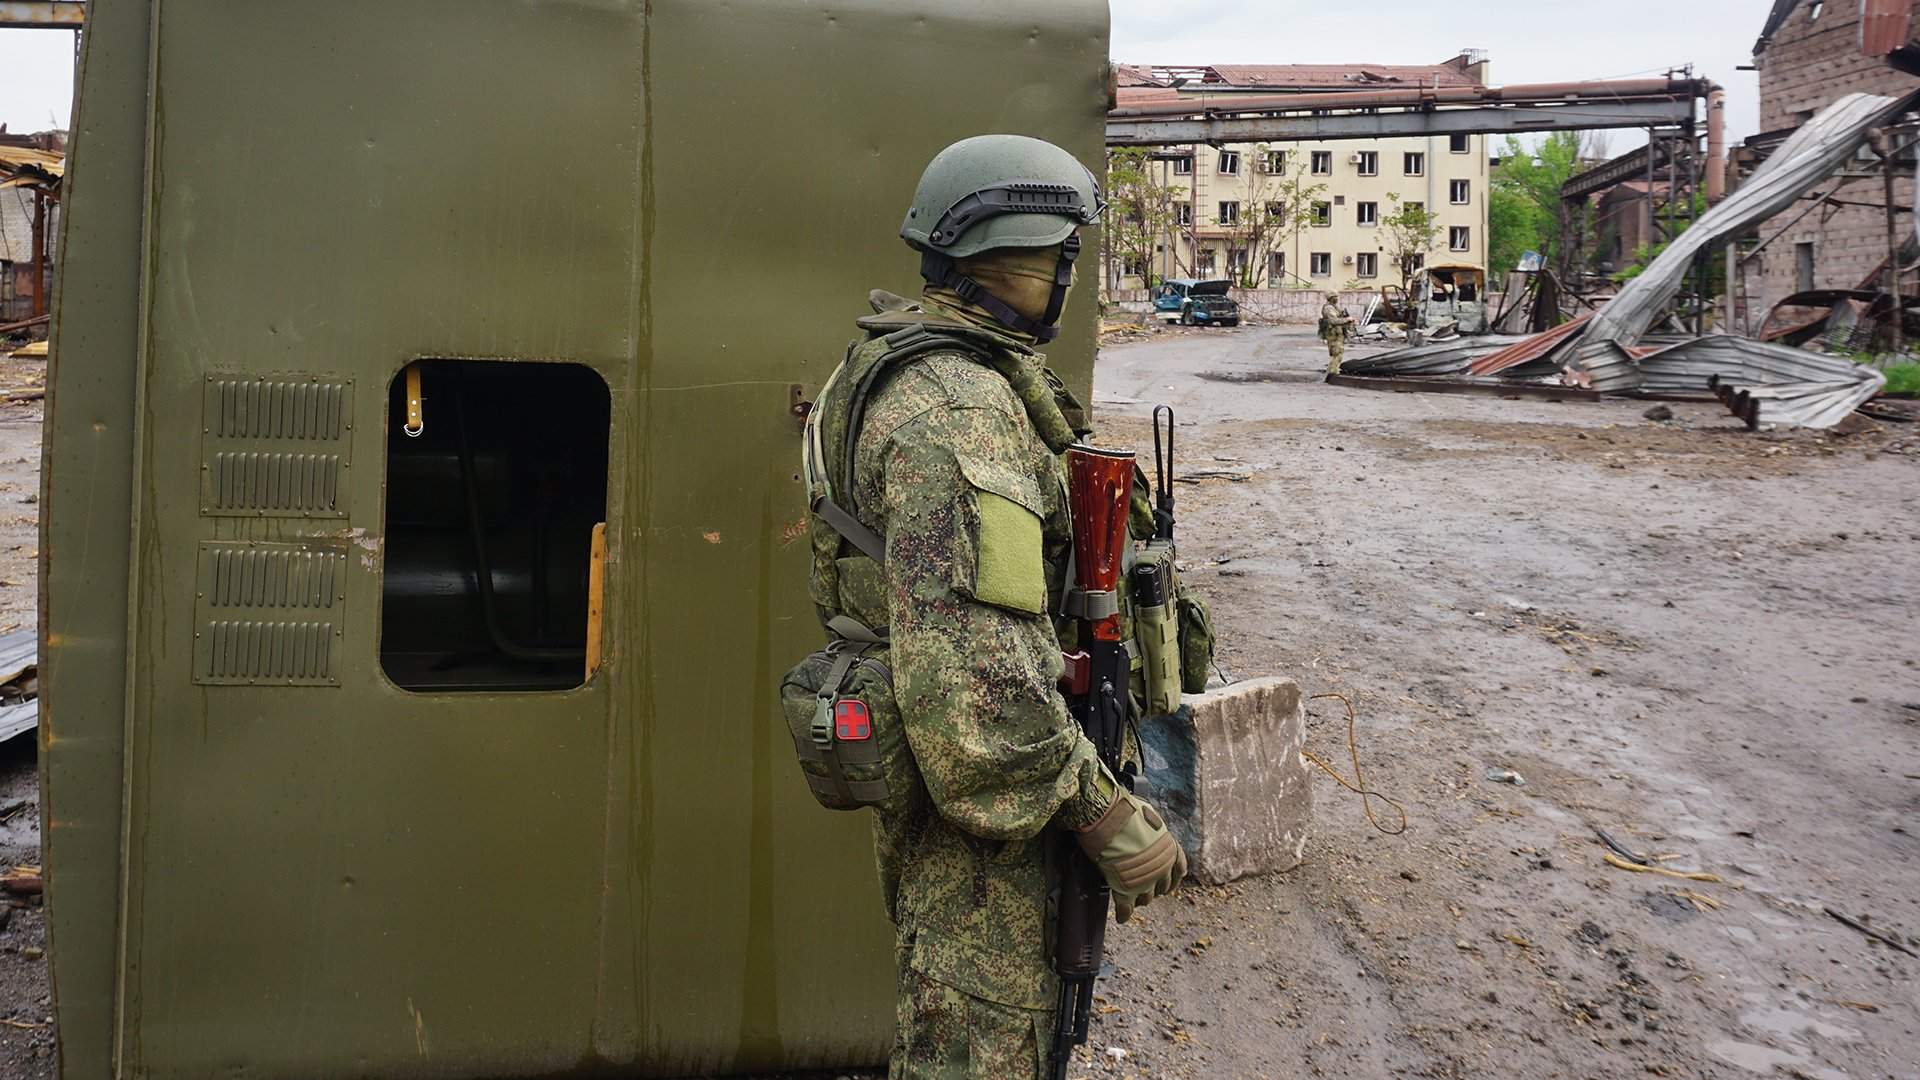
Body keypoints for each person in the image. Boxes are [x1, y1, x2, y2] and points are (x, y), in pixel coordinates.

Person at [804, 134, 1186, 1078]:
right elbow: (975, 689)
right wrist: (1109, 818)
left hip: (977, 809)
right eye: (1061, 257)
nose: (1065, 276)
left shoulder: (934, 369)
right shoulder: (955, 412)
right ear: (1012, 257)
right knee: (980, 1047)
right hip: (986, 827)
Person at [1320, 291, 1355, 376]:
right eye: (1334, 297)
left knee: (1338, 354)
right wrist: (1347, 320)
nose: (1336, 299)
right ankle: (1333, 373)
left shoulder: (1335, 307)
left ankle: (1331, 372)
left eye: (1336, 297)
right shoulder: (1329, 308)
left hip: (1338, 333)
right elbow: (1333, 321)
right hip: (1333, 334)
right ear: (1330, 298)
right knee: (1337, 353)